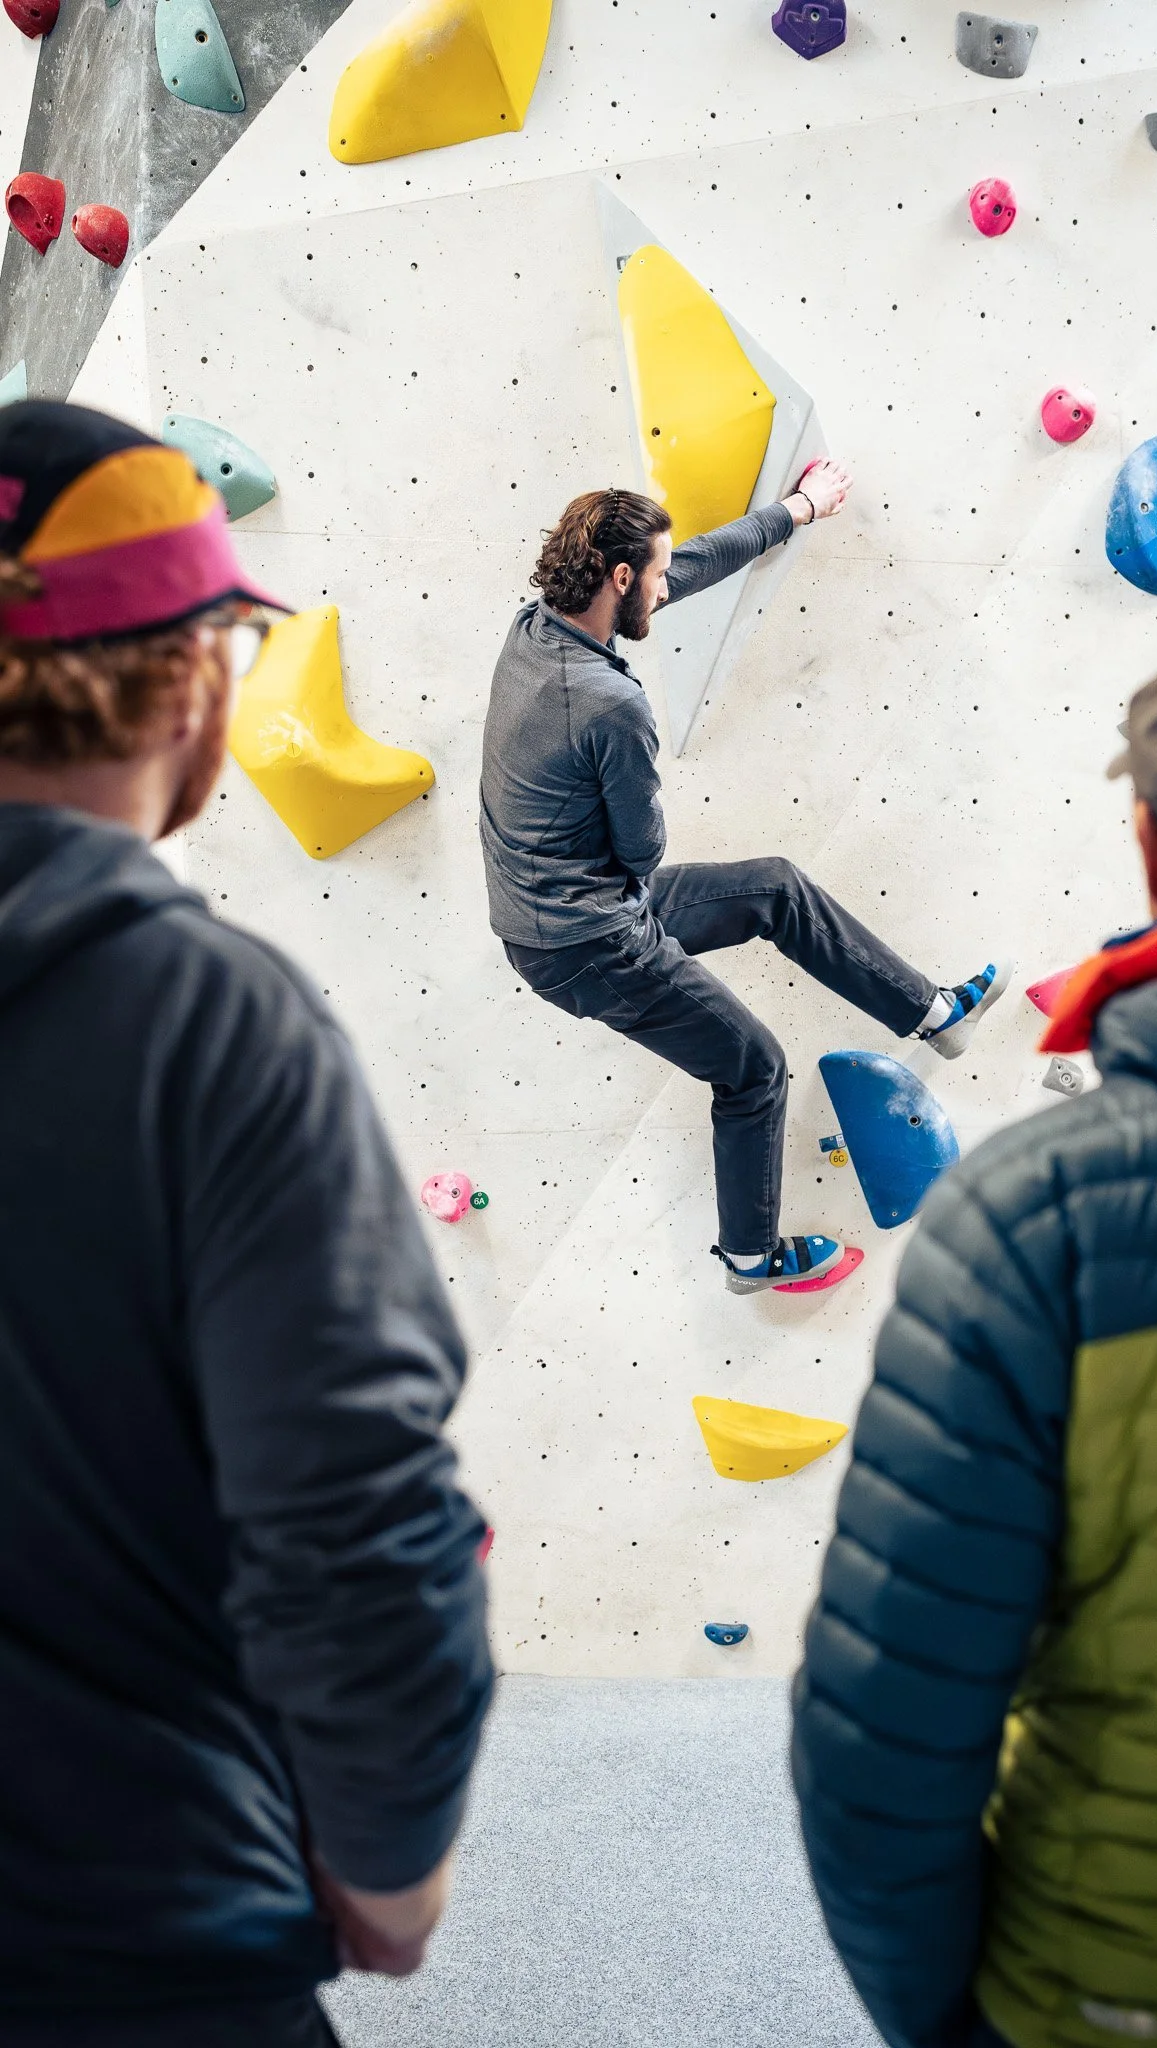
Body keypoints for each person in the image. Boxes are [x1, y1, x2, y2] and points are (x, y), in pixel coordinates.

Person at [791, 620, 1157, 2048]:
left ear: (1156, 855)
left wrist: (953, 2025)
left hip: (1131, 1998)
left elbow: (883, 1743)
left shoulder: (1032, 1219)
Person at [0, 401, 494, 2046]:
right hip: (130, 1946)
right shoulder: (208, 1025)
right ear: (189, 680)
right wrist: (390, 1856)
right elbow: (354, 1513)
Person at [480, 468, 1011, 1294]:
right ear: (618, 579)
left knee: (774, 886)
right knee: (753, 1068)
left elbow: (682, 566)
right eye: (651, 575)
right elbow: (642, 852)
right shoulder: (606, 704)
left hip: (568, 910)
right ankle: (747, 1259)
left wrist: (794, 512)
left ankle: (934, 1013)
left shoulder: (537, 628)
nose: (663, 584)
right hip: (586, 944)